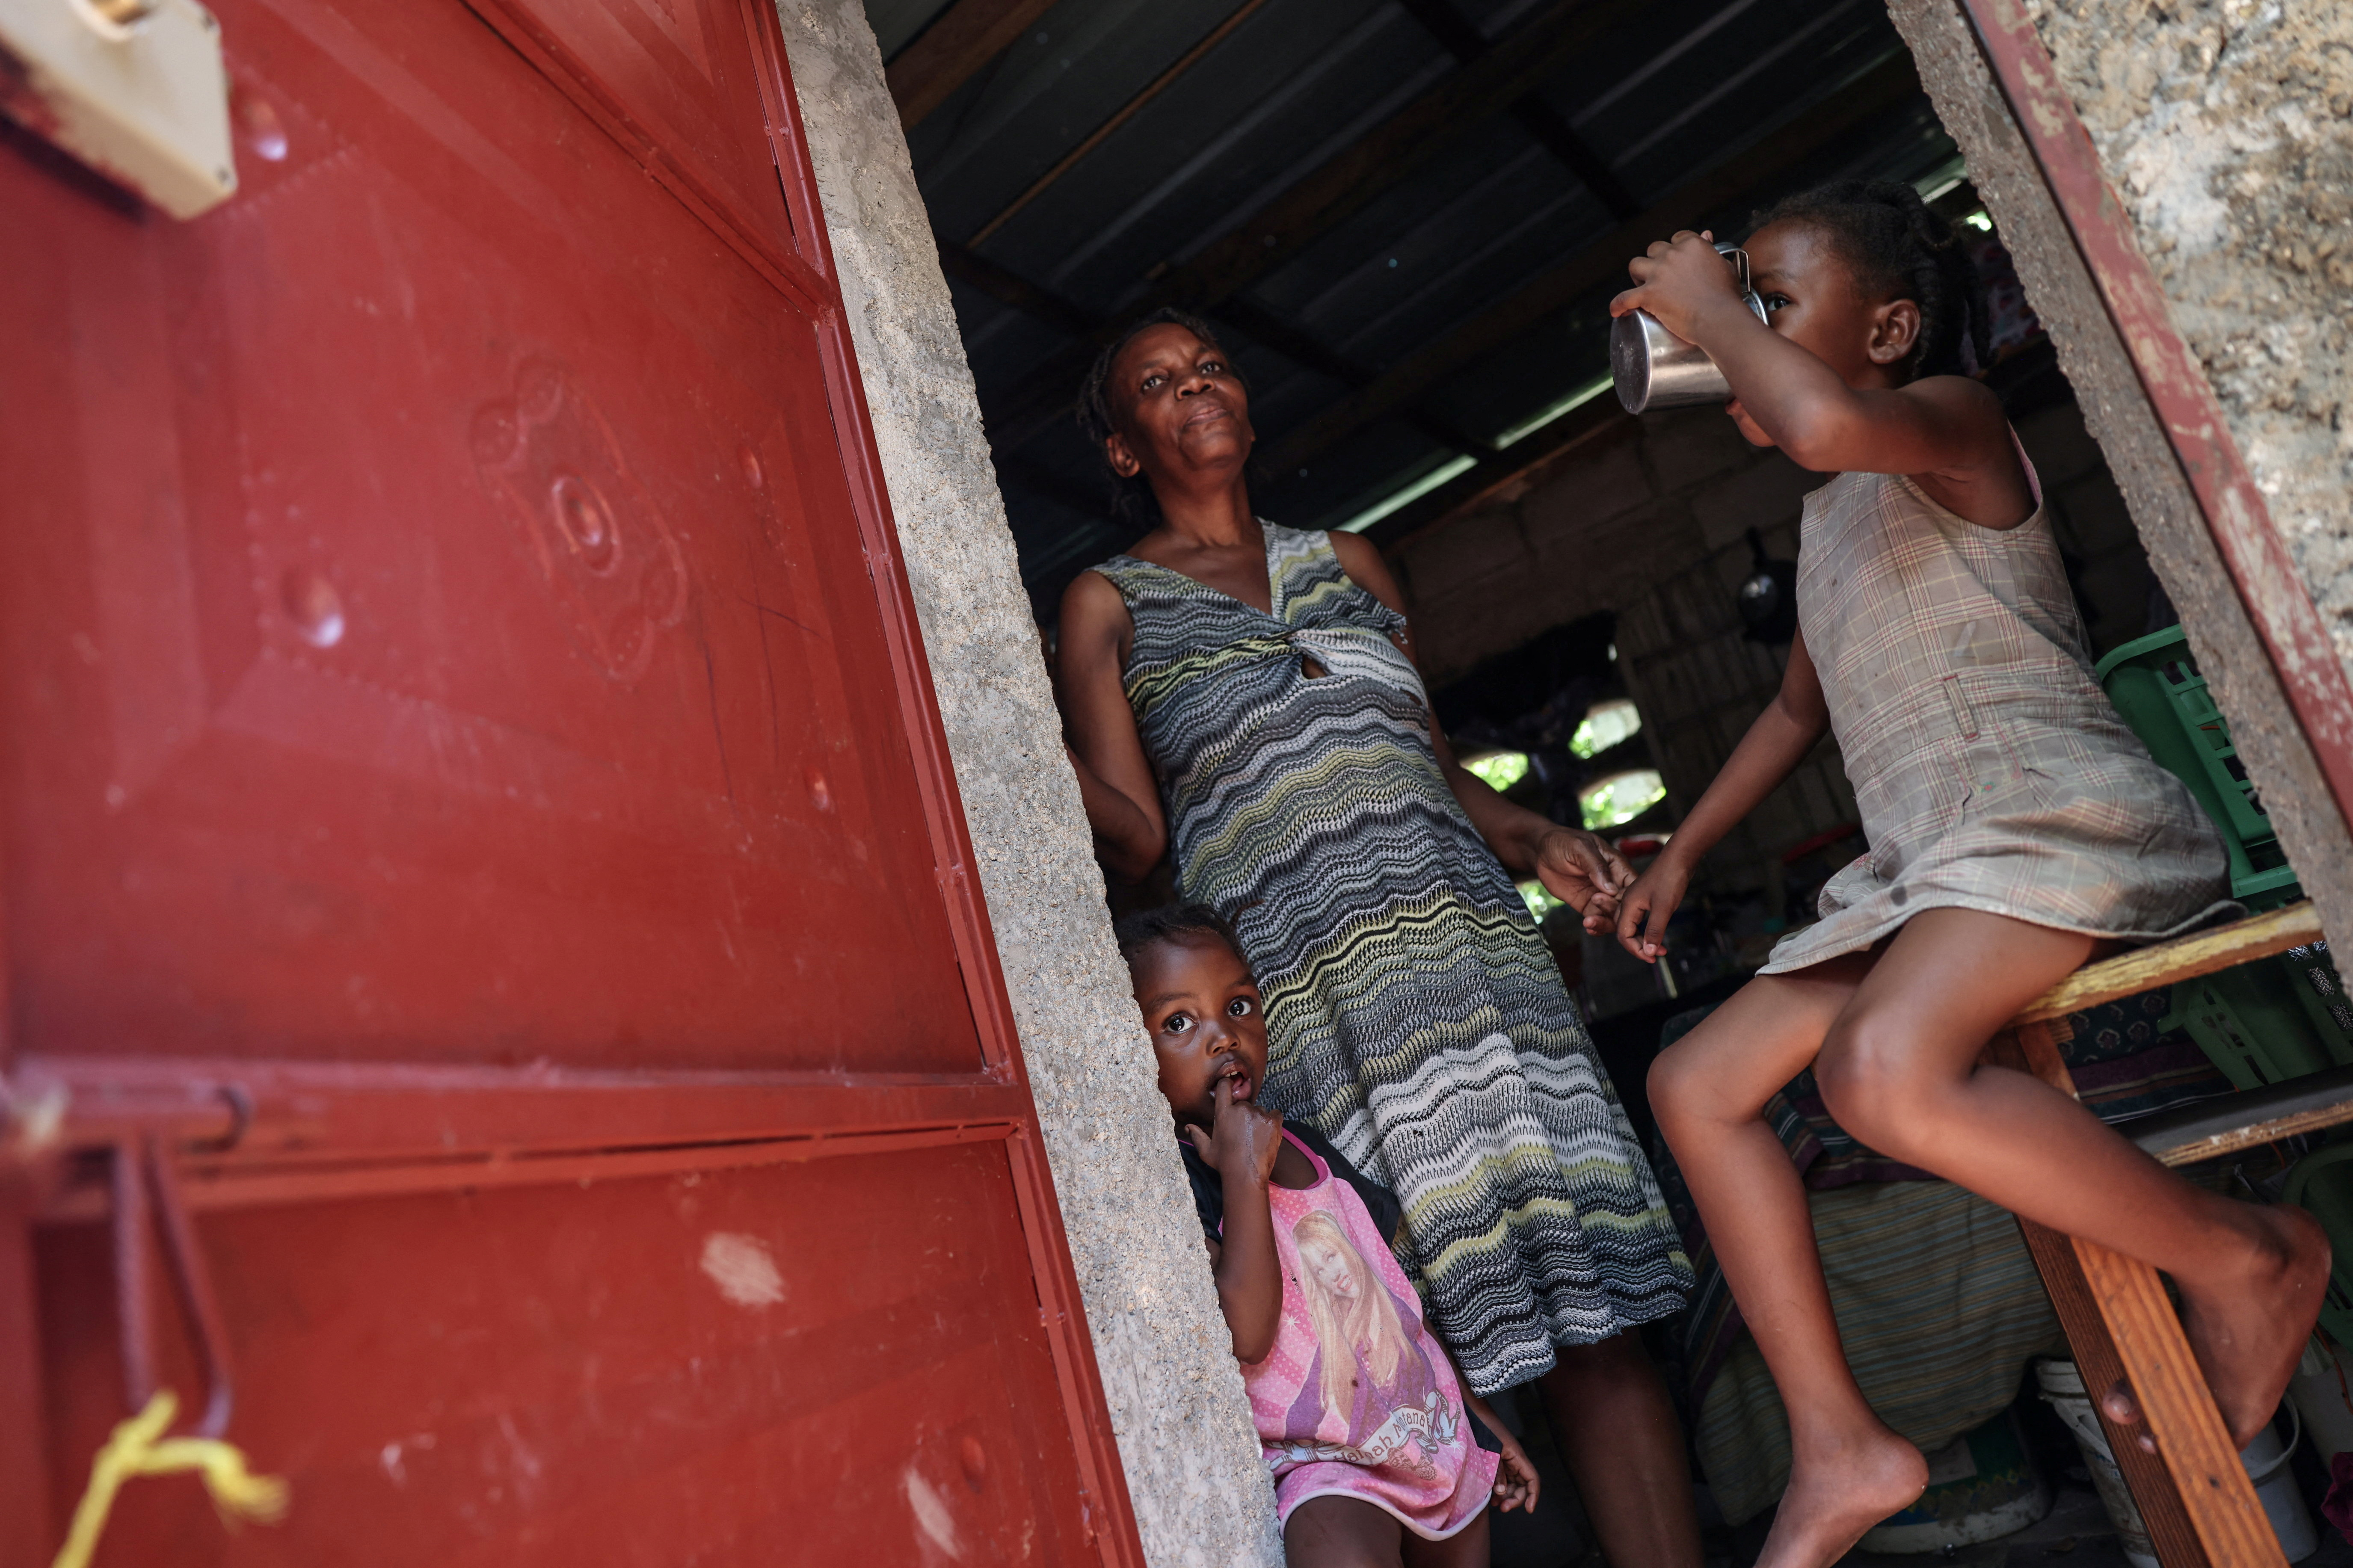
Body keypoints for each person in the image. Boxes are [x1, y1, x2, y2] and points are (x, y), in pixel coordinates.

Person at [1608, 180, 2332, 1568]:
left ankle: (2249, 1254)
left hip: (2049, 821)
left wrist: (1704, 304)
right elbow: (1791, 717)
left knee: (1876, 1072)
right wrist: (1682, 851)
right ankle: (1842, 1441)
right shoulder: (1827, 523)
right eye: (1739, 304)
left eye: (1773, 300)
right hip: (1923, 872)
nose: (1740, 327)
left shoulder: (1951, 422)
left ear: (1886, 329)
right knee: (1692, 1084)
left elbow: (1821, 419)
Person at [1055, 309, 1702, 1568]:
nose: (1198, 388)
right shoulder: (1107, 602)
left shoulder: (1352, 558)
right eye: (1159, 383)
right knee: (1400, 1336)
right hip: (1305, 999)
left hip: (1478, 964)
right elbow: (1133, 839)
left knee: (1591, 1305)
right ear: (1124, 446)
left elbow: (1435, 764)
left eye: (1212, 367)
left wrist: (1532, 838)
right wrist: (1001, 716)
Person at [1115, 903, 1540, 1566]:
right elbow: (1247, 1333)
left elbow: (1394, 1302)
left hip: (1426, 1431)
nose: (1224, 1037)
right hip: (1325, 1465)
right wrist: (1241, 1175)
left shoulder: (1309, 1147)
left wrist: (1478, 1418)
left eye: (1239, 1006)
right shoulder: (1177, 1187)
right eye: (1178, 1022)